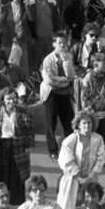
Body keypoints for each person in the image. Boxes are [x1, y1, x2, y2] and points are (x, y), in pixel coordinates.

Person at [0, 87, 35, 205]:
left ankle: (16, 207)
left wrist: (27, 145)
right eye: (8, 99)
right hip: (0, 148)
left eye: (14, 99)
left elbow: (30, 131)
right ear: (3, 100)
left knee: (16, 179)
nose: (11, 101)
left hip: (16, 147)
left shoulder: (23, 112)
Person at [55, 111, 105, 209]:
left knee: (89, 208)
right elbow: (66, 160)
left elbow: (101, 158)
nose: (87, 125)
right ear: (78, 124)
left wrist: (91, 175)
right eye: (84, 123)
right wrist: (78, 176)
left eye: (89, 123)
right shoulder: (71, 139)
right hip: (72, 179)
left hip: (90, 179)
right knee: (68, 208)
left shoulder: (98, 139)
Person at [40, 33, 76, 161]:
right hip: (51, 94)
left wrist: (66, 63)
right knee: (51, 124)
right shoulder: (48, 60)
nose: (62, 45)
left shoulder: (68, 57)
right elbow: (49, 79)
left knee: (69, 123)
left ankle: (70, 149)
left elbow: (71, 77)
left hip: (65, 94)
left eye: (64, 43)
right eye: (60, 43)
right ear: (54, 44)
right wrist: (64, 80)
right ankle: (53, 151)